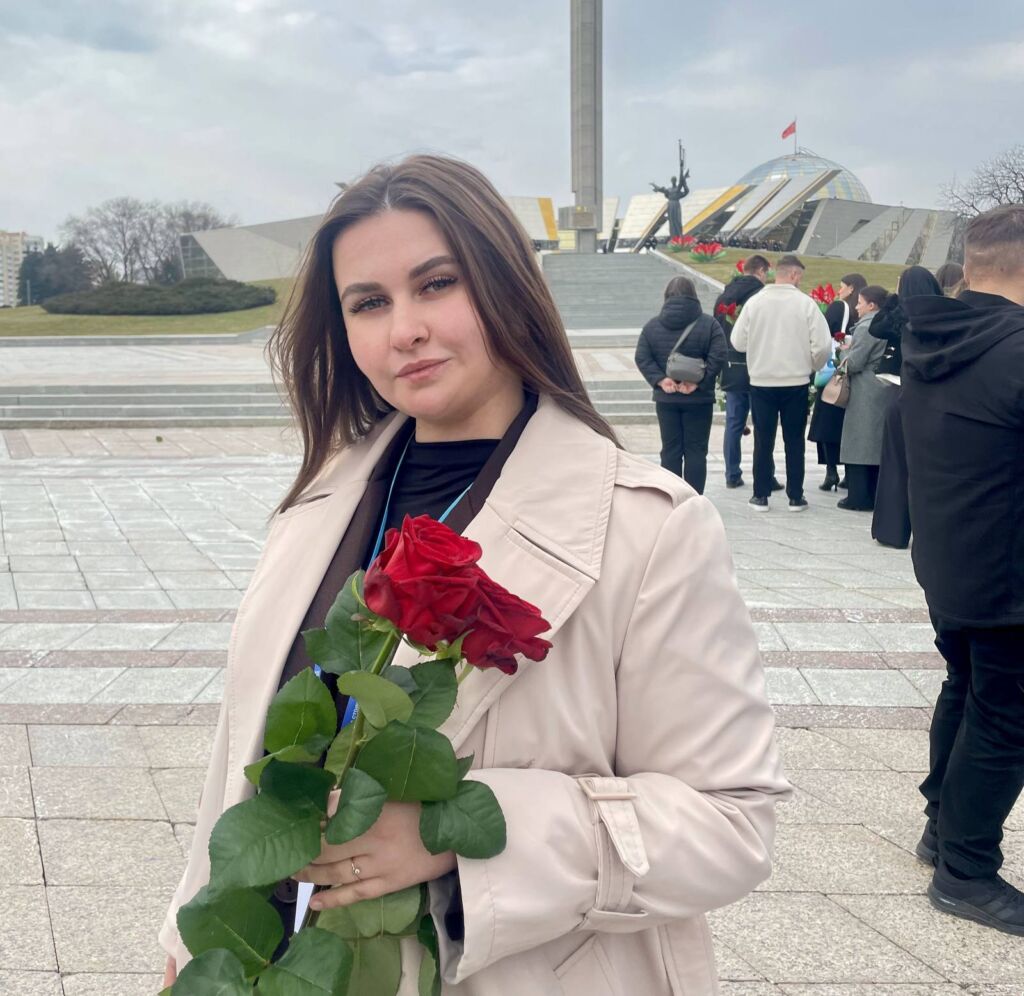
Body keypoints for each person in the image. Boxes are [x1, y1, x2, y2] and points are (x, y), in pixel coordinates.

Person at [159, 154, 790, 993]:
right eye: (369, 303)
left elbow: (729, 823)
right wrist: (190, 938)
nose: (405, 329)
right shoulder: (318, 504)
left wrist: (460, 837)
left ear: (505, 285)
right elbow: (241, 760)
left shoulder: (649, 529)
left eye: (436, 284)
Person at [902, 204, 1024, 937]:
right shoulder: (1016, 348)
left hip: (950, 559)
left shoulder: (933, 333)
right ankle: (967, 871)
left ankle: (941, 829)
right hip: (1009, 573)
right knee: (1006, 715)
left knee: (967, 687)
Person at [731, 254, 832, 512]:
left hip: (762, 380)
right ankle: (795, 496)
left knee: (763, 439)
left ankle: (760, 495)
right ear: (794, 275)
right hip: (795, 380)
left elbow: (737, 341)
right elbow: (823, 345)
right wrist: (812, 364)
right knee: (794, 440)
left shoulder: (755, 302)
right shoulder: (806, 304)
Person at [869, 266, 942, 547]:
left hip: (902, 391)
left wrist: (893, 298)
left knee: (895, 463)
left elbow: (876, 327)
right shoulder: (943, 315)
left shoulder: (902, 316)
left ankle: (892, 529)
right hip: (933, 396)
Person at [635, 275, 726, 493]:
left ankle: (672, 496)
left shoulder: (652, 326)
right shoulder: (709, 324)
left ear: (666, 296)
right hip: (699, 400)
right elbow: (719, 355)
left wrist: (660, 380)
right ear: (694, 295)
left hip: (667, 398)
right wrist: (699, 383)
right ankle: (694, 499)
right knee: (696, 451)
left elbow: (642, 357)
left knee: (670, 451)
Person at [713, 254, 776, 489]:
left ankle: (732, 474)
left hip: (732, 366)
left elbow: (717, 330)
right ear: (761, 271)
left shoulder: (725, 296)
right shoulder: (761, 296)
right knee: (764, 424)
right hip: (759, 366)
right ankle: (766, 475)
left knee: (734, 422)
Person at [836, 286, 897, 511]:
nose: (856, 306)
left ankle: (859, 496)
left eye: (860, 302)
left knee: (860, 442)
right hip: (883, 387)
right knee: (875, 443)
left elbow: (854, 362)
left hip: (865, 389)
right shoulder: (888, 322)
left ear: (872, 305)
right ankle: (873, 493)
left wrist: (844, 351)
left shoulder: (866, 326)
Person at [807, 273, 866, 491]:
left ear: (851, 288)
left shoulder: (839, 307)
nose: (839, 291)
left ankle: (831, 471)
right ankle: (849, 474)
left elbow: (824, 335)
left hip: (834, 373)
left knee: (827, 423)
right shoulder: (863, 312)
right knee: (847, 425)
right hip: (854, 375)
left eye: (841, 287)